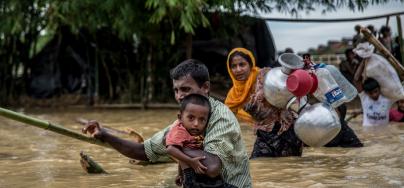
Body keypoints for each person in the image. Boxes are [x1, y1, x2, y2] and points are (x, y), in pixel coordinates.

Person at [82, 59, 252, 187]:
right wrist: (104, 134)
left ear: (206, 87)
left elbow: (212, 167)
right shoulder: (181, 124)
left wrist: (174, 146)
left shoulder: (221, 117)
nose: (179, 96)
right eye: (176, 90)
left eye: (185, 89)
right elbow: (143, 151)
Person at [224, 47, 302, 158]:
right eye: (233, 66)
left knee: (288, 166)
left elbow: (288, 92)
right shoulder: (233, 95)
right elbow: (225, 120)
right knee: (258, 164)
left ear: (250, 65)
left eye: (242, 64)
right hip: (264, 134)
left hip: (287, 133)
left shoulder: (266, 76)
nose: (238, 69)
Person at [166, 94, 233, 188]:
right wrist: (190, 162)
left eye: (202, 120)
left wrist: (180, 174)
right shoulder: (180, 131)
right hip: (192, 177)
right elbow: (170, 149)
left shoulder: (196, 132)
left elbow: (181, 154)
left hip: (200, 173)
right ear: (180, 117)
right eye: (191, 118)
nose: (196, 124)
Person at [354, 61, 393, 126]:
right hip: (368, 132)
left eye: (375, 91)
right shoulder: (364, 97)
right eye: (370, 93)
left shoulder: (387, 98)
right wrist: (363, 61)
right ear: (366, 92)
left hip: (384, 133)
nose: (374, 95)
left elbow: (390, 80)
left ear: (379, 89)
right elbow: (356, 79)